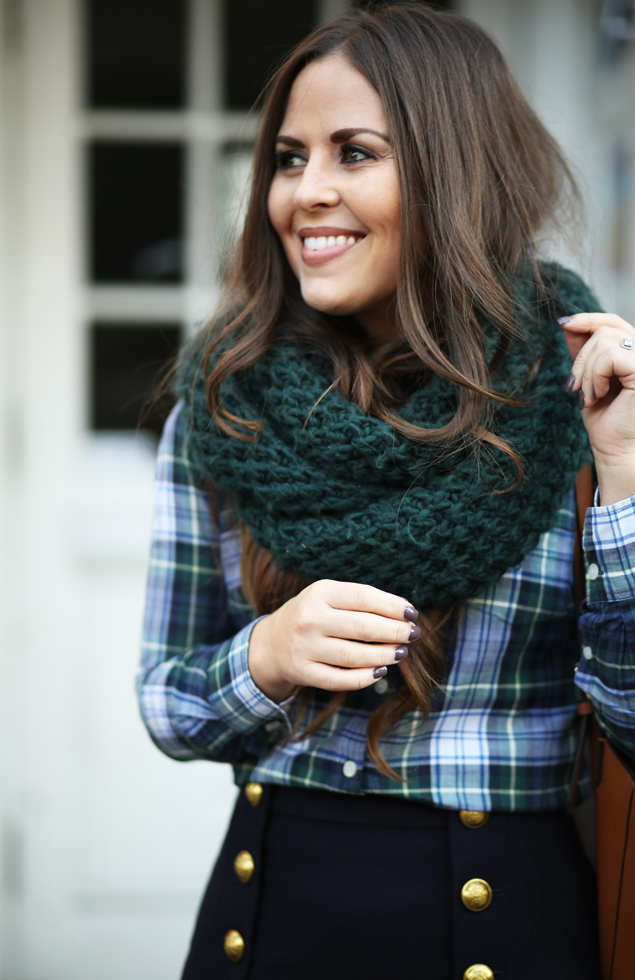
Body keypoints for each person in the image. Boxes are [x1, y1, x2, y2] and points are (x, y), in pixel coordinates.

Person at [137, 4, 635, 978]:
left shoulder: (582, 395)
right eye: (287, 158)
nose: (304, 192)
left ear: (456, 172)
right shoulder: (226, 406)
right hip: (275, 917)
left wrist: (619, 478)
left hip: (509, 922)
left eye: (352, 153)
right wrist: (268, 655)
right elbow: (165, 702)